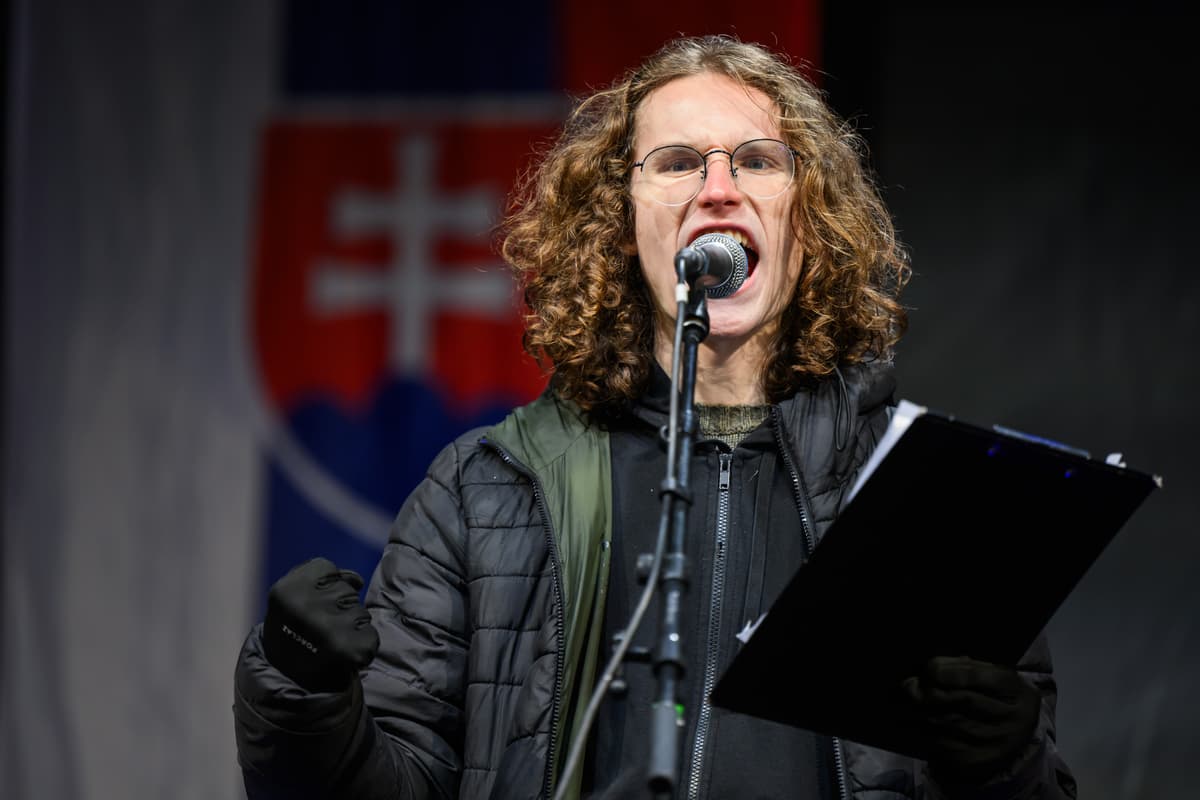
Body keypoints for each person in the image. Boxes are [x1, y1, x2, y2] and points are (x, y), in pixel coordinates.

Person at [232, 34, 1078, 800]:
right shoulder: (485, 489)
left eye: (756, 160)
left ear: (807, 215)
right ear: (618, 221)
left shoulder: (928, 500)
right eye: (676, 163)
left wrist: (1006, 764)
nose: (718, 189)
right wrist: (299, 693)